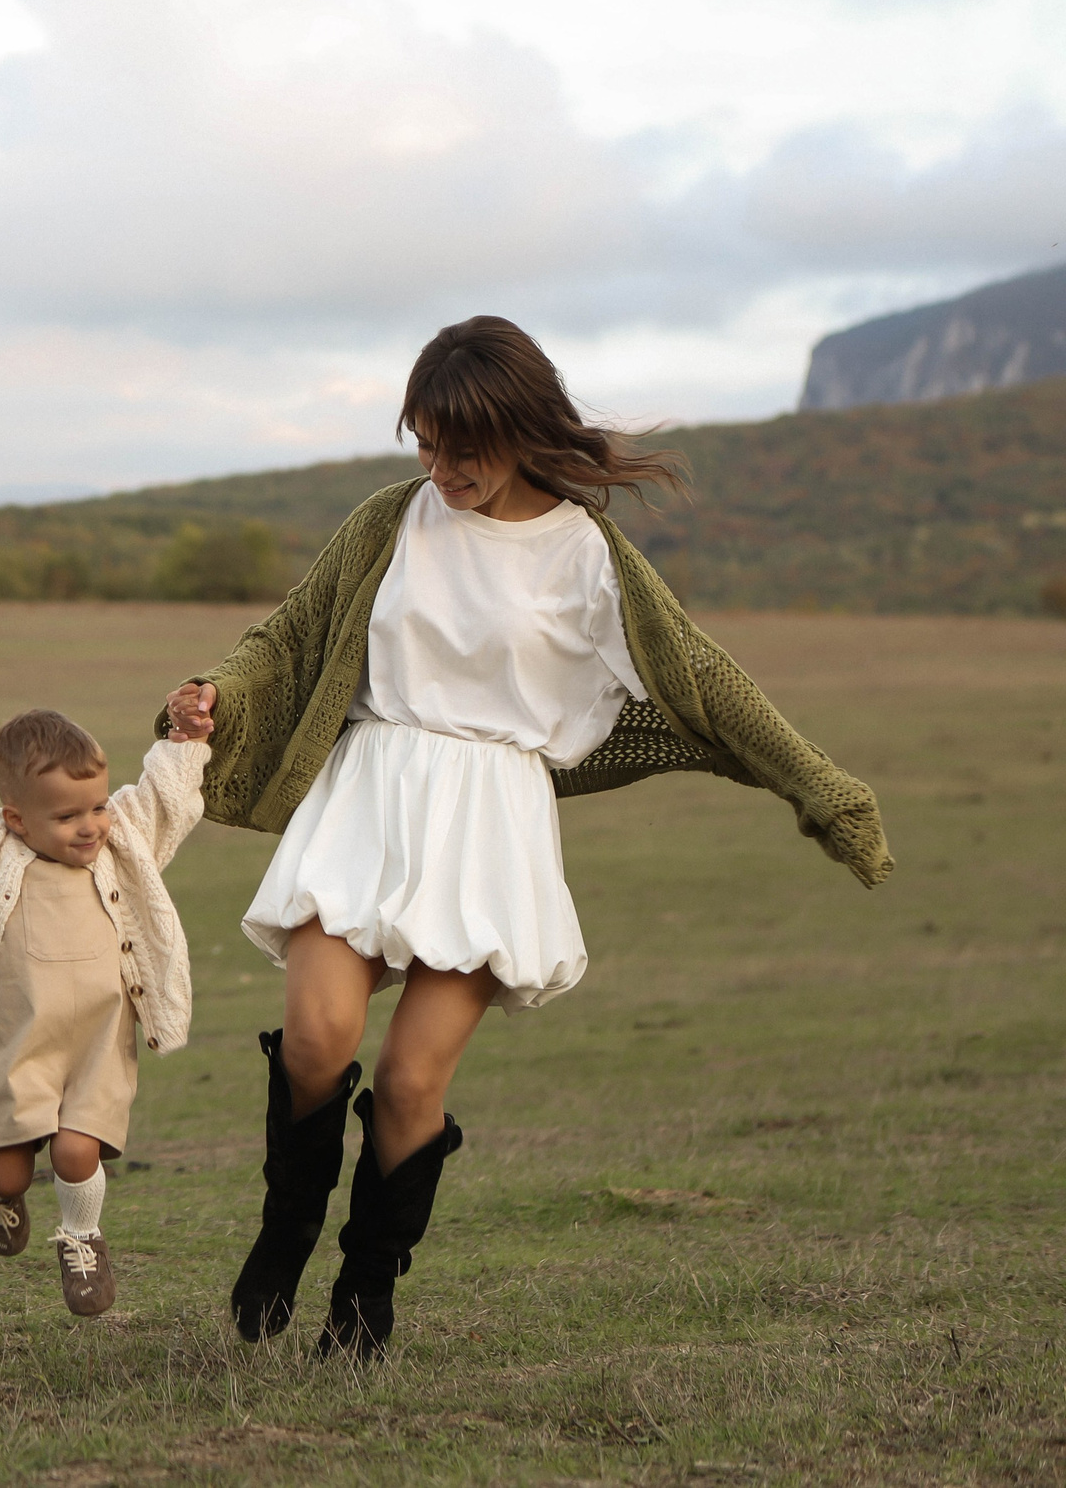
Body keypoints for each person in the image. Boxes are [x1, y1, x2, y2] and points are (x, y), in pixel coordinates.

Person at [163, 316, 893, 1360]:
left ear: (521, 431)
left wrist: (821, 789)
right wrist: (218, 696)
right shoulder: (390, 520)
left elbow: (702, 678)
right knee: (319, 1038)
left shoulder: (585, 555)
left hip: (487, 823)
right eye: (424, 443)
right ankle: (285, 1233)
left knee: (412, 1081)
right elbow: (287, 635)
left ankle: (366, 1290)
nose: (441, 469)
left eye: (463, 450)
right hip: (369, 797)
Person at [0, 695, 213, 1315]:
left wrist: (184, 743)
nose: (90, 826)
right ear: (18, 820)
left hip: (98, 1041)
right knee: (8, 1173)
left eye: (99, 807)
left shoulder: (120, 846)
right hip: (17, 1043)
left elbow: (163, 801)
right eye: (66, 816)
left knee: (77, 1151)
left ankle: (82, 1239)